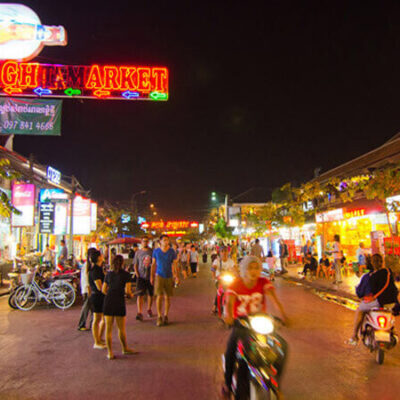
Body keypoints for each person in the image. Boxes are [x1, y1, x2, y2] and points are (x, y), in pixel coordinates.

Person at [222, 256, 288, 399]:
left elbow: (274, 300)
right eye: (250, 268)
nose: (254, 271)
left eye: (256, 268)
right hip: (241, 324)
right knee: (231, 352)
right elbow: (228, 303)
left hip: (260, 323)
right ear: (244, 270)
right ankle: (227, 385)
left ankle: (276, 383)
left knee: (282, 346)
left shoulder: (264, 282)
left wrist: (283, 316)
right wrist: (228, 316)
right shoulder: (236, 284)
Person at [347, 253, 399, 345]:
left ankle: (354, 336)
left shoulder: (369, 276)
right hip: (390, 303)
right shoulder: (388, 272)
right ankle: (393, 332)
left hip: (377, 302)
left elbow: (361, 292)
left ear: (371, 263)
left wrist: (371, 297)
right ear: (382, 262)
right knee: (390, 313)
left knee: (360, 310)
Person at [102, 255, 136, 360]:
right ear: (122, 263)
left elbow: (103, 290)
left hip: (108, 300)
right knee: (121, 328)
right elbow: (128, 292)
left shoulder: (108, 274)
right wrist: (131, 295)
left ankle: (110, 352)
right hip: (119, 301)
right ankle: (124, 348)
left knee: (108, 329)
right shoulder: (126, 275)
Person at [151, 235, 178, 327]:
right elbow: (153, 264)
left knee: (167, 297)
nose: (166, 242)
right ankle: (159, 316)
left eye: (167, 240)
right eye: (164, 240)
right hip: (159, 275)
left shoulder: (172, 252)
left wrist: (176, 276)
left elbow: (174, 264)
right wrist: (151, 276)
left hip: (169, 275)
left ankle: (166, 315)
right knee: (159, 296)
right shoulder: (156, 252)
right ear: (160, 241)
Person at [211, 246, 238, 313]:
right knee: (220, 290)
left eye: (225, 251)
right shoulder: (217, 261)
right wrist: (214, 276)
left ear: (228, 252)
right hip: (219, 280)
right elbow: (213, 268)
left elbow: (235, 269)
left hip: (229, 279)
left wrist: (236, 274)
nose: (224, 253)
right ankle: (215, 305)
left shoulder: (231, 261)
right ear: (219, 253)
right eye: (222, 251)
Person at [133, 237, 154, 321]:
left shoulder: (152, 252)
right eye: (143, 241)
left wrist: (153, 275)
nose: (145, 242)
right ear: (141, 242)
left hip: (150, 276)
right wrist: (137, 274)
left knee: (150, 294)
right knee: (140, 294)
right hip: (141, 276)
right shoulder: (138, 252)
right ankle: (139, 312)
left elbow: (154, 263)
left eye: (146, 241)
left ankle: (149, 309)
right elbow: (135, 264)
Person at [89, 250, 106, 349]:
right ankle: (96, 341)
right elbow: (99, 286)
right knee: (97, 319)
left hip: (100, 296)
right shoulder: (95, 270)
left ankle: (99, 338)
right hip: (97, 296)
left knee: (102, 318)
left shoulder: (98, 269)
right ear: (98, 257)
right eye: (101, 255)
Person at [77, 247, 96, 331]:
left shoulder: (89, 265)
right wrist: (89, 289)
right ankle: (82, 324)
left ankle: (93, 324)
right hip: (87, 289)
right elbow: (86, 279)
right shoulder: (87, 266)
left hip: (88, 289)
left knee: (92, 308)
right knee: (87, 307)